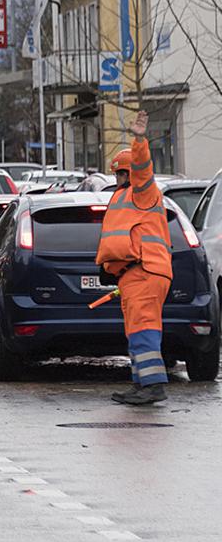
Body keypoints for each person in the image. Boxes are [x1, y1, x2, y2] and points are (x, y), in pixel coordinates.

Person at [96, 110, 172, 405]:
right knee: (137, 329)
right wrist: (107, 266)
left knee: (143, 327)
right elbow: (119, 238)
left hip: (145, 271)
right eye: (116, 173)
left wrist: (139, 138)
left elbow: (142, 167)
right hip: (133, 274)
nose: (118, 178)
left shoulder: (143, 191)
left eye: (121, 173)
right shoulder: (122, 198)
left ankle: (152, 385)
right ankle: (142, 383)